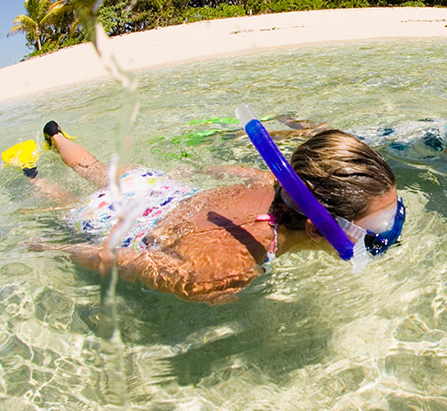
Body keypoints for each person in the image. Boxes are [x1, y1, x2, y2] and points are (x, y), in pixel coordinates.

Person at [21, 120, 404, 304]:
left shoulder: (272, 184)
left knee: (95, 170)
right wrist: (54, 249)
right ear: (318, 230)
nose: (388, 233)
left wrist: (198, 172)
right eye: (376, 226)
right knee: (63, 202)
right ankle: (30, 175)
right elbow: (121, 258)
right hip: (115, 218)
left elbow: (230, 172)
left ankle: (55, 135)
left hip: (157, 186)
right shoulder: (226, 272)